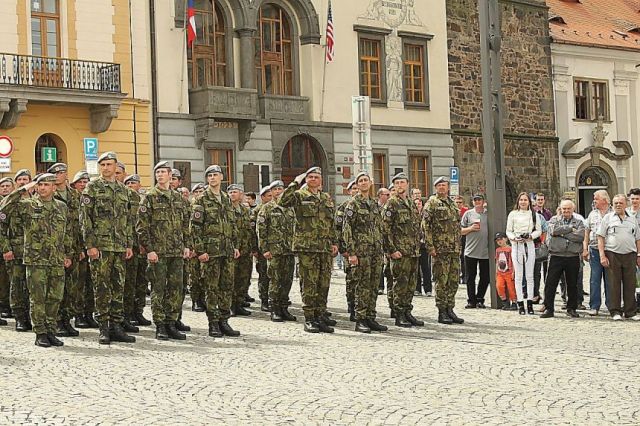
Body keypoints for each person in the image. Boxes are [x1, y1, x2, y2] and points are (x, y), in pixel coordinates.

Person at [0, 174, 72, 347]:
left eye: (47, 185)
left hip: (55, 258)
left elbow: (67, 232)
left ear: (54, 187)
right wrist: (24, 189)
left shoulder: (61, 207)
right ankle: (40, 332)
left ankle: (50, 330)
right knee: (37, 297)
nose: (42, 188)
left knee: (54, 297)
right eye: (40, 185)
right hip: (35, 259)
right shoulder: (28, 205)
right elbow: (4, 208)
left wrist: (68, 254)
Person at [80, 151, 136, 345]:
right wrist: (90, 245)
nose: (106, 168)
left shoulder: (123, 191)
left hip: (119, 246)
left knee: (118, 286)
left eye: (109, 165)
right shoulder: (92, 187)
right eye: (102, 165)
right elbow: (85, 218)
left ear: (116, 167)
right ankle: (104, 327)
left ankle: (117, 326)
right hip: (100, 247)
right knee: (101, 287)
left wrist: (129, 243)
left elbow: (128, 220)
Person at [136, 161, 192, 340]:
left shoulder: (178, 198)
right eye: (157, 172)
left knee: (176, 288)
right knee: (158, 289)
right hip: (158, 252)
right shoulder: (150, 197)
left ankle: (171, 322)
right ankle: (160, 325)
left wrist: (186, 245)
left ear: (170, 175)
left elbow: (185, 224)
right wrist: (150, 250)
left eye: (163, 172)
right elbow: (142, 227)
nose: (160, 175)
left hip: (176, 251)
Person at [279, 167, 338, 333]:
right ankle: (310, 318)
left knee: (323, 284)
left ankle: (320, 317)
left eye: (316, 177)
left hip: (324, 248)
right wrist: (295, 182)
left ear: (321, 180)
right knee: (309, 284)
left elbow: (330, 222)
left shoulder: (326, 198)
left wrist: (334, 242)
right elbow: (282, 201)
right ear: (306, 180)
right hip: (307, 248)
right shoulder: (299, 196)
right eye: (310, 177)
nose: (313, 179)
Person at [191, 165, 241, 337]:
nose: (212, 178)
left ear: (222, 177)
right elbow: (195, 227)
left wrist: (235, 245)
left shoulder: (226, 199)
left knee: (227, 286)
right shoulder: (202, 199)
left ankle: (224, 320)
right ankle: (213, 322)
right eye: (209, 175)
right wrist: (200, 250)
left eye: (215, 175)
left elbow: (232, 223)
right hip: (210, 252)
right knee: (211, 287)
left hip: (226, 250)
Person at [342, 171, 387, 333]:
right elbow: (347, 229)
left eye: (365, 180)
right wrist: (351, 253)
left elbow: (380, 228)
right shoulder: (353, 204)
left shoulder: (374, 204)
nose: (363, 183)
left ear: (370, 183)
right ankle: (360, 319)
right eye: (360, 181)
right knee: (362, 286)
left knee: (374, 285)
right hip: (361, 253)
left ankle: (370, 316)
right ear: (357, 184)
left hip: (375, 252)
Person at [382, 173, 423, 327]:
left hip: (412, 251)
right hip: (399, 252)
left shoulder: (411, 203)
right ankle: (399, 314)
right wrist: (391, 250)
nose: (400, 185)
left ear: (407, 184)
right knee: (400, 284)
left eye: (402, 182)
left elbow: (416, 226)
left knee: (411, 284)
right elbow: (385, 229)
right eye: (397, 183)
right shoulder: (392, 203)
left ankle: (407, 311)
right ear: (394, 186)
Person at [423, 177, 464, 325]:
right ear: (435, 188)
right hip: (440, 250)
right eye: (439, 185)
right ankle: (441, 311)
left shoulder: (452, 204)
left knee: (453, 281)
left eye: (444, 185)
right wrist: (430, 246)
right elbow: (426, 226)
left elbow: (457, 227)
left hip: (453, 249)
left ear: (447, 187)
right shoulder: (431, 203)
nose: (441, 187)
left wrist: (458, 245)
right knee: (441, 280)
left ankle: (450, 308)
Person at [257, 180, 296, 322]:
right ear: (271, 192)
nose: (278, 191)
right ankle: (274, 309)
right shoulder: (267, 208)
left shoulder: (291, 208)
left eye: (281, 189)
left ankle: (284, 308)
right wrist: (265, 249)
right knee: (275, 280)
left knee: (287, 280)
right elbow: (261, 230)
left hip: (289, 250)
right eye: (275, 189)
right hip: (274, 251)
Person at [596, 194, 640, 321]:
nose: (618, 205)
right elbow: (600, 237)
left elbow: (638, 238)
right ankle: (615, 311)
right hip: (612, 253)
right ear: (612, 205)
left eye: (621, 203)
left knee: (630, 284)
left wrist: (638, 254)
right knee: (614, 284)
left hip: (630, 254)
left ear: (626, 204)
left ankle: (630, 312)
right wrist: (602, 255)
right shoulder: (608, 218)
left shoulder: (632, 219)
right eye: (616, 203)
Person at [540, 200, 585, 318]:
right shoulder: (554, 220)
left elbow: (580, 237)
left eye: (568, 209)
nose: (566, 211)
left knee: (572, 284)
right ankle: (549, 308)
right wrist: (570, 229)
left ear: (573, 210)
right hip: (556, 255)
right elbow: (553, 231)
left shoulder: (579, 222)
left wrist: (562, 234)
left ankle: (572, 308)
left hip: (572, 256)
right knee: (550, 283)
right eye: (564, 209)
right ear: (560, 209)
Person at [1, 169, 32, 330]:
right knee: (16, 285)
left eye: (25, 179)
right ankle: (20, 317)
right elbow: (2, 227)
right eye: (19, 180)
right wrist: (6, 248)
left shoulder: (35, 201)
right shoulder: (10, 203)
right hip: (15, 251)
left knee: (32, 285)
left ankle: (31, 316)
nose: (22, 182)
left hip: (34, 252)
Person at [69, 170, 98, 329]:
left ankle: (89, 313)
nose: (83, 184)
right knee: (78, 284)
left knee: (91, 283)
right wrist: (79, 248)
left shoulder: (92, 199)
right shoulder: (71, 200)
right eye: (79, 182)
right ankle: (78, 314)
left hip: (92, 246)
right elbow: (74, 228)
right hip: (77, 249)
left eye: (85, 181)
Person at [505, 192, 542, 315]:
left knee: (530, 275)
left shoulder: (534, 214)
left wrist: (530, 236)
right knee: (519, 276)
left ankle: (530, 303)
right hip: (517, 245)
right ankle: (520, 303)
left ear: (529, 202)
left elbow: (538, 230)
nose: (523, 202)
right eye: (521, 200)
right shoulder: (513, 214)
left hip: (529, 244)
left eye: (525, 200)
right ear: (518, 201)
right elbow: (508, 230)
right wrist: (514, 238)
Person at [123, 174, 151, 327]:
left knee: (141, 281)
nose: (131, 185)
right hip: (130, 246)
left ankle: (138, 311)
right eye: (129, 183)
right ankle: (127, 313)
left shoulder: (143, 200)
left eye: (134, 183)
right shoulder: (124, 199)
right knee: (129, 282)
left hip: (142, 246)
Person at [583, 190, 611, 316]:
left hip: (610, 250)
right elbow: (586, 232)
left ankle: (612, 305)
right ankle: (594, 306)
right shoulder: (592, 214)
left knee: (610, 279)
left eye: (596, 198)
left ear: (604, 200)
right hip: (594, 250)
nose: (594, 200)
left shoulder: (613, 213)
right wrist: (585, 249)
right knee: (594, 279)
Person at [228, 184, 253, 317]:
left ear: (241, 194)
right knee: (231, 278)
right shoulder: (226, 209)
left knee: (243, 278)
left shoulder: (245, 210)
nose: (232, 194)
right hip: (232, 249)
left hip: (245, 250)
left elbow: (249, 230)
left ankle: (239, 303)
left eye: (235, 192)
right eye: (230, 192)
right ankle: (231, 305)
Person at [461, 194, 490, 309]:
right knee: (470, 277)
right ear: (473, 202)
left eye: (479, 200)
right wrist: (471, 229)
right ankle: (471, 300)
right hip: (470, 250)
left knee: (485, 277)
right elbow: (460, 230)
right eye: (475, 200)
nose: (477, 202)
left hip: (486, 251)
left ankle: (480, 299)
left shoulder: (488, 214)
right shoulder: (468, 214)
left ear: (483, 201)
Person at [336, 180, 357, 319]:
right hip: (350, 250)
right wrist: (342, 249)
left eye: (357, 188)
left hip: (365, 250)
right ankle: (352, 305)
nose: (356, 190)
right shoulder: (344, 207)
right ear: (349, 191)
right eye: (353, 188)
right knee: (352, 279)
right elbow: (338, 229)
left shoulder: (369, 204)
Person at [252, 185, 273, 312]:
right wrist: (255, 248)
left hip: (276, 249)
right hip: (262, 250)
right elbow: (253, 232)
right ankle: (264, 300)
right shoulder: (257, 210)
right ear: (263, 197)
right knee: (264, 276)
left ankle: (274, 299)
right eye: (268, 196)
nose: (271, 198)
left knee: (274, 276)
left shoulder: (276, 208)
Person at [0, 177, 14, 320]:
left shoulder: (14, 203)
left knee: (8, 280)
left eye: (7, 185)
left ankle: (8, 306)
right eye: (2, 185)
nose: (5, 188)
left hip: (10, 247)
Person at [414, 197, 432, 296]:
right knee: (416, 268)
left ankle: (428, 289)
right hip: (415, 245)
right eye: (416, 204)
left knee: (426, 267)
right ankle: (417, 289)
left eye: (419, 204)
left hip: (424, 245)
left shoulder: (425, 215)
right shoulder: (412, 214)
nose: (418, 206)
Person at [494, 232, 517, 310]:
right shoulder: (497, 250)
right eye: (497, 240)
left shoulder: (510, 249)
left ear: (506, 239)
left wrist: (513, 271)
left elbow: (513, 260)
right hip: (500, 272)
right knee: (499, 286)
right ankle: (505, 301)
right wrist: (496, 271)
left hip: (509, 271)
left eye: (501, 239)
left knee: (511, 288)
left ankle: (514, 302)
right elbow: (497, 260)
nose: (499, 241)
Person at [626, 188, 640, 307]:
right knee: (630, 277)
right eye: (633, 199)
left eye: (637, 199)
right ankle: (630, 302)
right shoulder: (625, 213)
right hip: (628, 248)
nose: (635, 201)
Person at [377, 187, 392, 295]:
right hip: (378, 240)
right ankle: (380, 286)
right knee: (379, 264)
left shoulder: (390, 207)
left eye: (389, 194)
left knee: (388, 265)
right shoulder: (375, 207)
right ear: (380, 195)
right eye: (386, 195)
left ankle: (389, 286)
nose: (388, 197)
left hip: (387, 240)